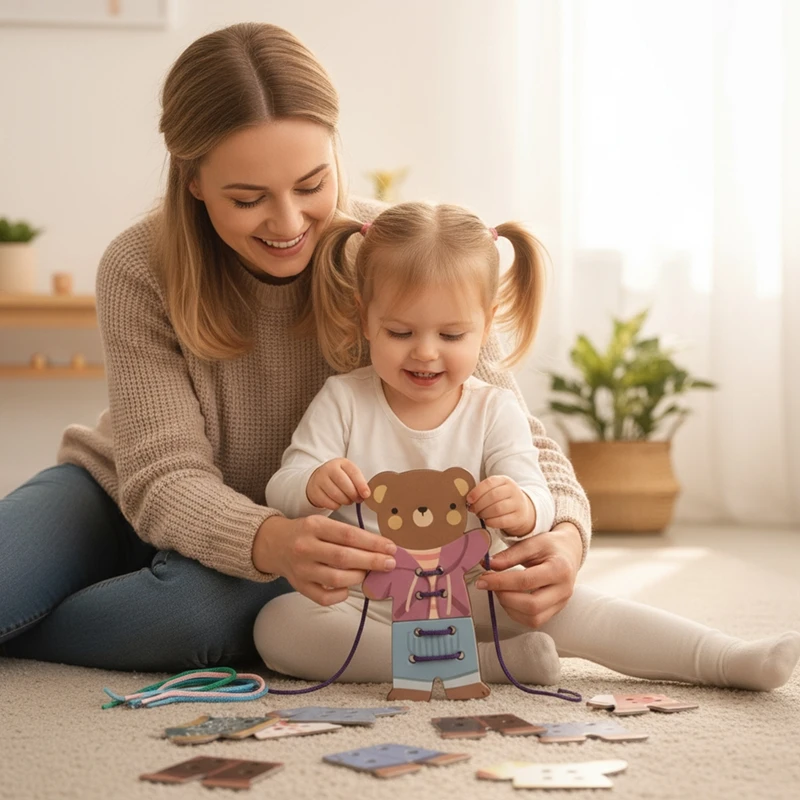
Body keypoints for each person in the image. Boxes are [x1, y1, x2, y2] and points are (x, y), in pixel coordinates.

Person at [0, 22, 590, 673]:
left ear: (335, 152)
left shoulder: (389, 252)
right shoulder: (138, 266)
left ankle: (42, 628)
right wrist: (273, 540)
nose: (287, 224)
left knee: (189, 619)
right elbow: (163, 477)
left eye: (311, 185)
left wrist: (565, 536)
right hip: (117, 494)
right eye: (248, 198)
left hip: (270, 547)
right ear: (194, 180)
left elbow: (516, 429)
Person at [255, 202, 800, 695]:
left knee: (586, 610)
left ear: (486, 325)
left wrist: (524, 507)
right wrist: (309, 482)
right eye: (399, 332)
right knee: (278, 627)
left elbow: (537, 492)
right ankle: (490, 666)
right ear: (363, 317)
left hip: (481, 589)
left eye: (451, 336)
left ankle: (724, 658)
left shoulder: (494, 408)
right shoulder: (344, 399)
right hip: (368, 601)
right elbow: (284, 482)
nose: (425, 353)